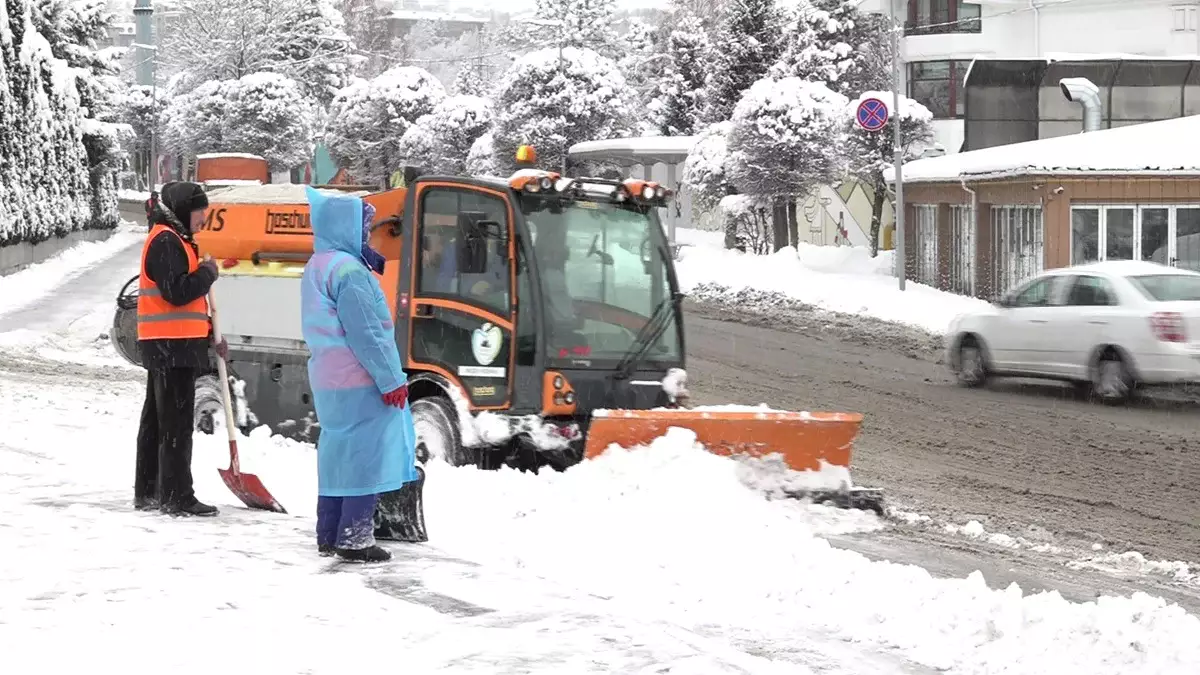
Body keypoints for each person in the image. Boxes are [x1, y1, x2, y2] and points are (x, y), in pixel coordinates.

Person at [300, 187, 421, 563]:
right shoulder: (350, 271)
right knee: (364, 456)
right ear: (345, 227)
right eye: (363, 227)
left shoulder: (318, 265)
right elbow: (368, 333)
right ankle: (354, 536)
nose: (367, 234)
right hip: (359, 377)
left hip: (329, 378)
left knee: (338, 452)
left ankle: (329, 531)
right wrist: (391, 380)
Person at [134, 181, 226, 517]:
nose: (204, 218)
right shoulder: (166, 240)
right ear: (185, 210)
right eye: (200, 212)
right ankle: (176, 496)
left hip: (170, 342)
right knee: (175, 423)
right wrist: (207, 274)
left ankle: (150, 491)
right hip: (171, 345)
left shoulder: (173, 238)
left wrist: (209, 331)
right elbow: (177, 291)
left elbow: (184, 301)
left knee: (158, 421)